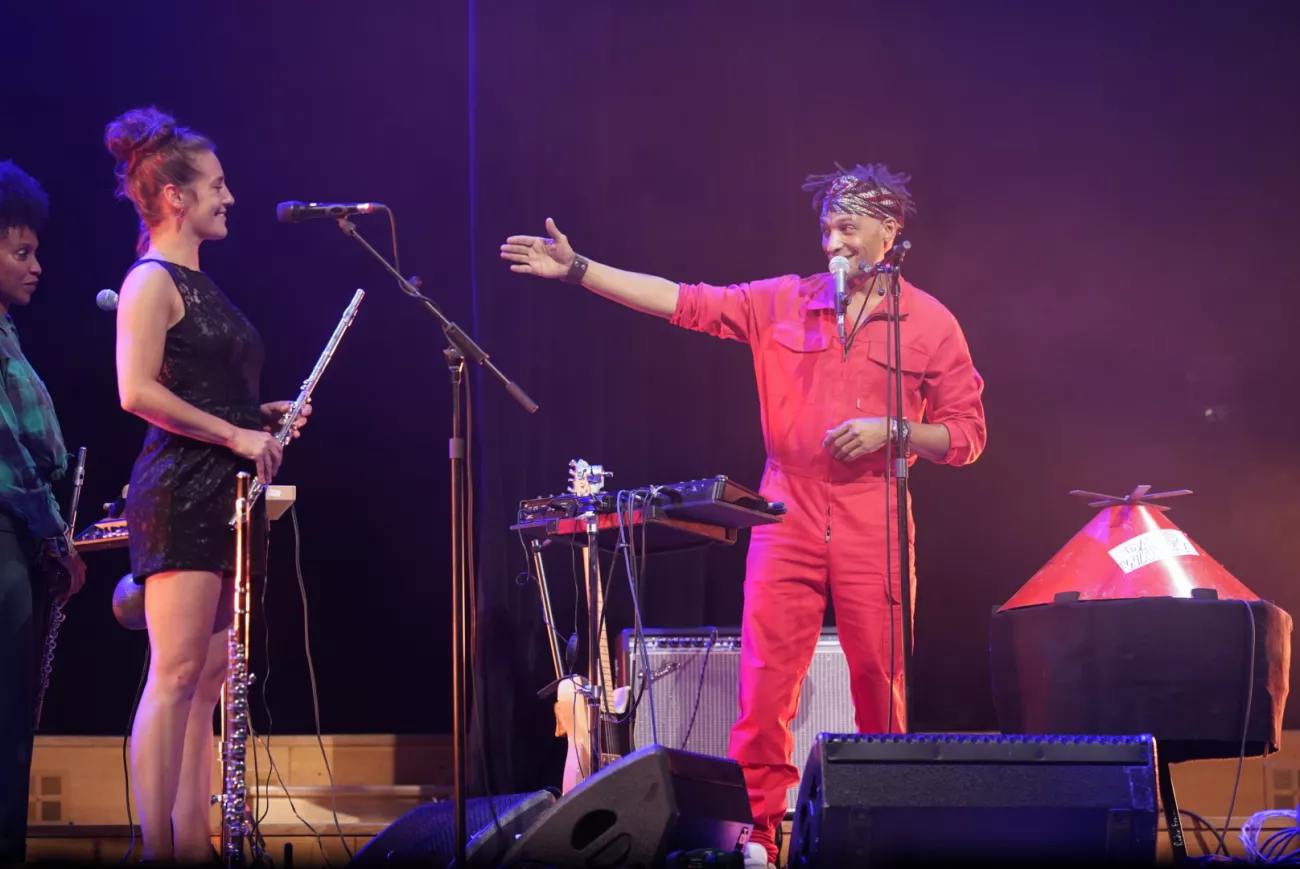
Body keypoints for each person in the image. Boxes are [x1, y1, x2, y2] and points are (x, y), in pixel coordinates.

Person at [500, 164, 987, 868]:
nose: (833, 242)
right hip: (784, 511)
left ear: (891, 231)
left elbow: (968, 435)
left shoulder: (931, 322)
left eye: (849, 227)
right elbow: (682, 301)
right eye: (826, 228)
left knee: (881, 684)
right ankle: (760, 836)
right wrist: (579, 269)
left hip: (871, 517)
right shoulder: (782, 301)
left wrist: (896, 430)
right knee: (764, 689)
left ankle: (884, 830)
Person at [105, 106, 308, 862]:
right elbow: (136, 390)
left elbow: (202, 387)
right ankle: (160, 845)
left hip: (225, 492)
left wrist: (259, 415)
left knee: (212, 673)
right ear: (175, 197)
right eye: (217, 186)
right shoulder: (150, 280)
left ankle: (192, 842)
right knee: (177, 669)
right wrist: (234, 433)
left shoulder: (201, 282)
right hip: (182, 490)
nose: (230, 198)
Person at [0, 159, 88, 865]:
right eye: (20, 252)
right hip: (7, 539)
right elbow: (10, 453)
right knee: (5, 721)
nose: (36, 267)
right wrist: (57, 537)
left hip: (18, 540)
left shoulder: (8, 334)